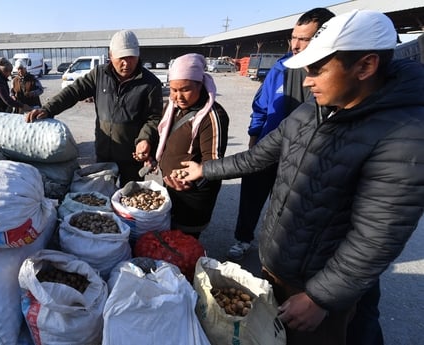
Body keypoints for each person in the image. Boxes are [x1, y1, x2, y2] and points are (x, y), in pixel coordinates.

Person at [174, 10, 423, 345]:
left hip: (318, 286)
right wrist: (205, 169)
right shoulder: (313, 110)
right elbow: (260, 156)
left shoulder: (403, 136)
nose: (307, 81)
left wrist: (322, 297)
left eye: (317, 70)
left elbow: (375, 238)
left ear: (366, 66)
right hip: (281, 266)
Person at [228, 7, 335, 260]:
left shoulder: (333, 75)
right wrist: (254, 142)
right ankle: (243, 238)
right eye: (293, 37)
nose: (296, 45)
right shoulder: (281, 68)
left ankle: (278, 250)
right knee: (252, 194)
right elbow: (261, 108)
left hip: (305, 157)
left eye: (304, 38)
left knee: (288, 207)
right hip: (268, 148)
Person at [25, 30, 163, 186]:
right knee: (102, 195)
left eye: (131, 57)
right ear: (111, 55)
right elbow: (73, 92)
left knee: (130, 199)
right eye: (122, 58)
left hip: (132, 157)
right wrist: (49, 109)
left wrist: (145, 139)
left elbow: (154, 117)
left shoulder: (150, 83)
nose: (127, 63)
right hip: (104, 152)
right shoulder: (99, 74)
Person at [155, 53, 229, 239]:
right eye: (173, 90)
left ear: (199, 84)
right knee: (168, 238)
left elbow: (214, 163)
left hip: (193, 195)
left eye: (185, 90)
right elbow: (166, 137)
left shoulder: (212, 116)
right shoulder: (172, 107)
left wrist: (191, 183)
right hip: (171, 187)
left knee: (185, 243)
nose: (178, 96)